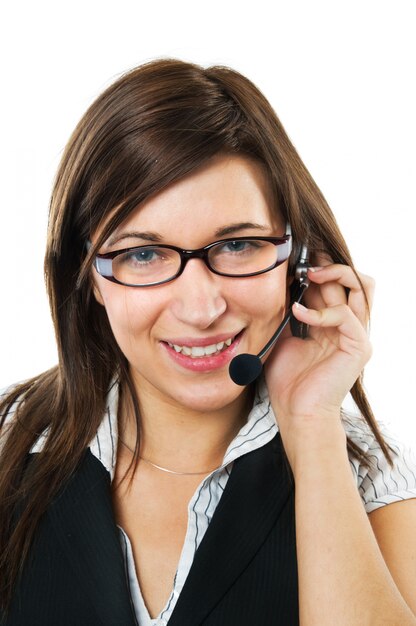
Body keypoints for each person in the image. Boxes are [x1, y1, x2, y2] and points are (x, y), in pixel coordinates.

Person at [1, 58, 415, 626]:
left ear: (298, 261)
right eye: (143, 254)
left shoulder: (367, 470)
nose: (201, 309)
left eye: (239, 246)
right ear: (89, 275)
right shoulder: (12, 443)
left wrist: (312, 424)